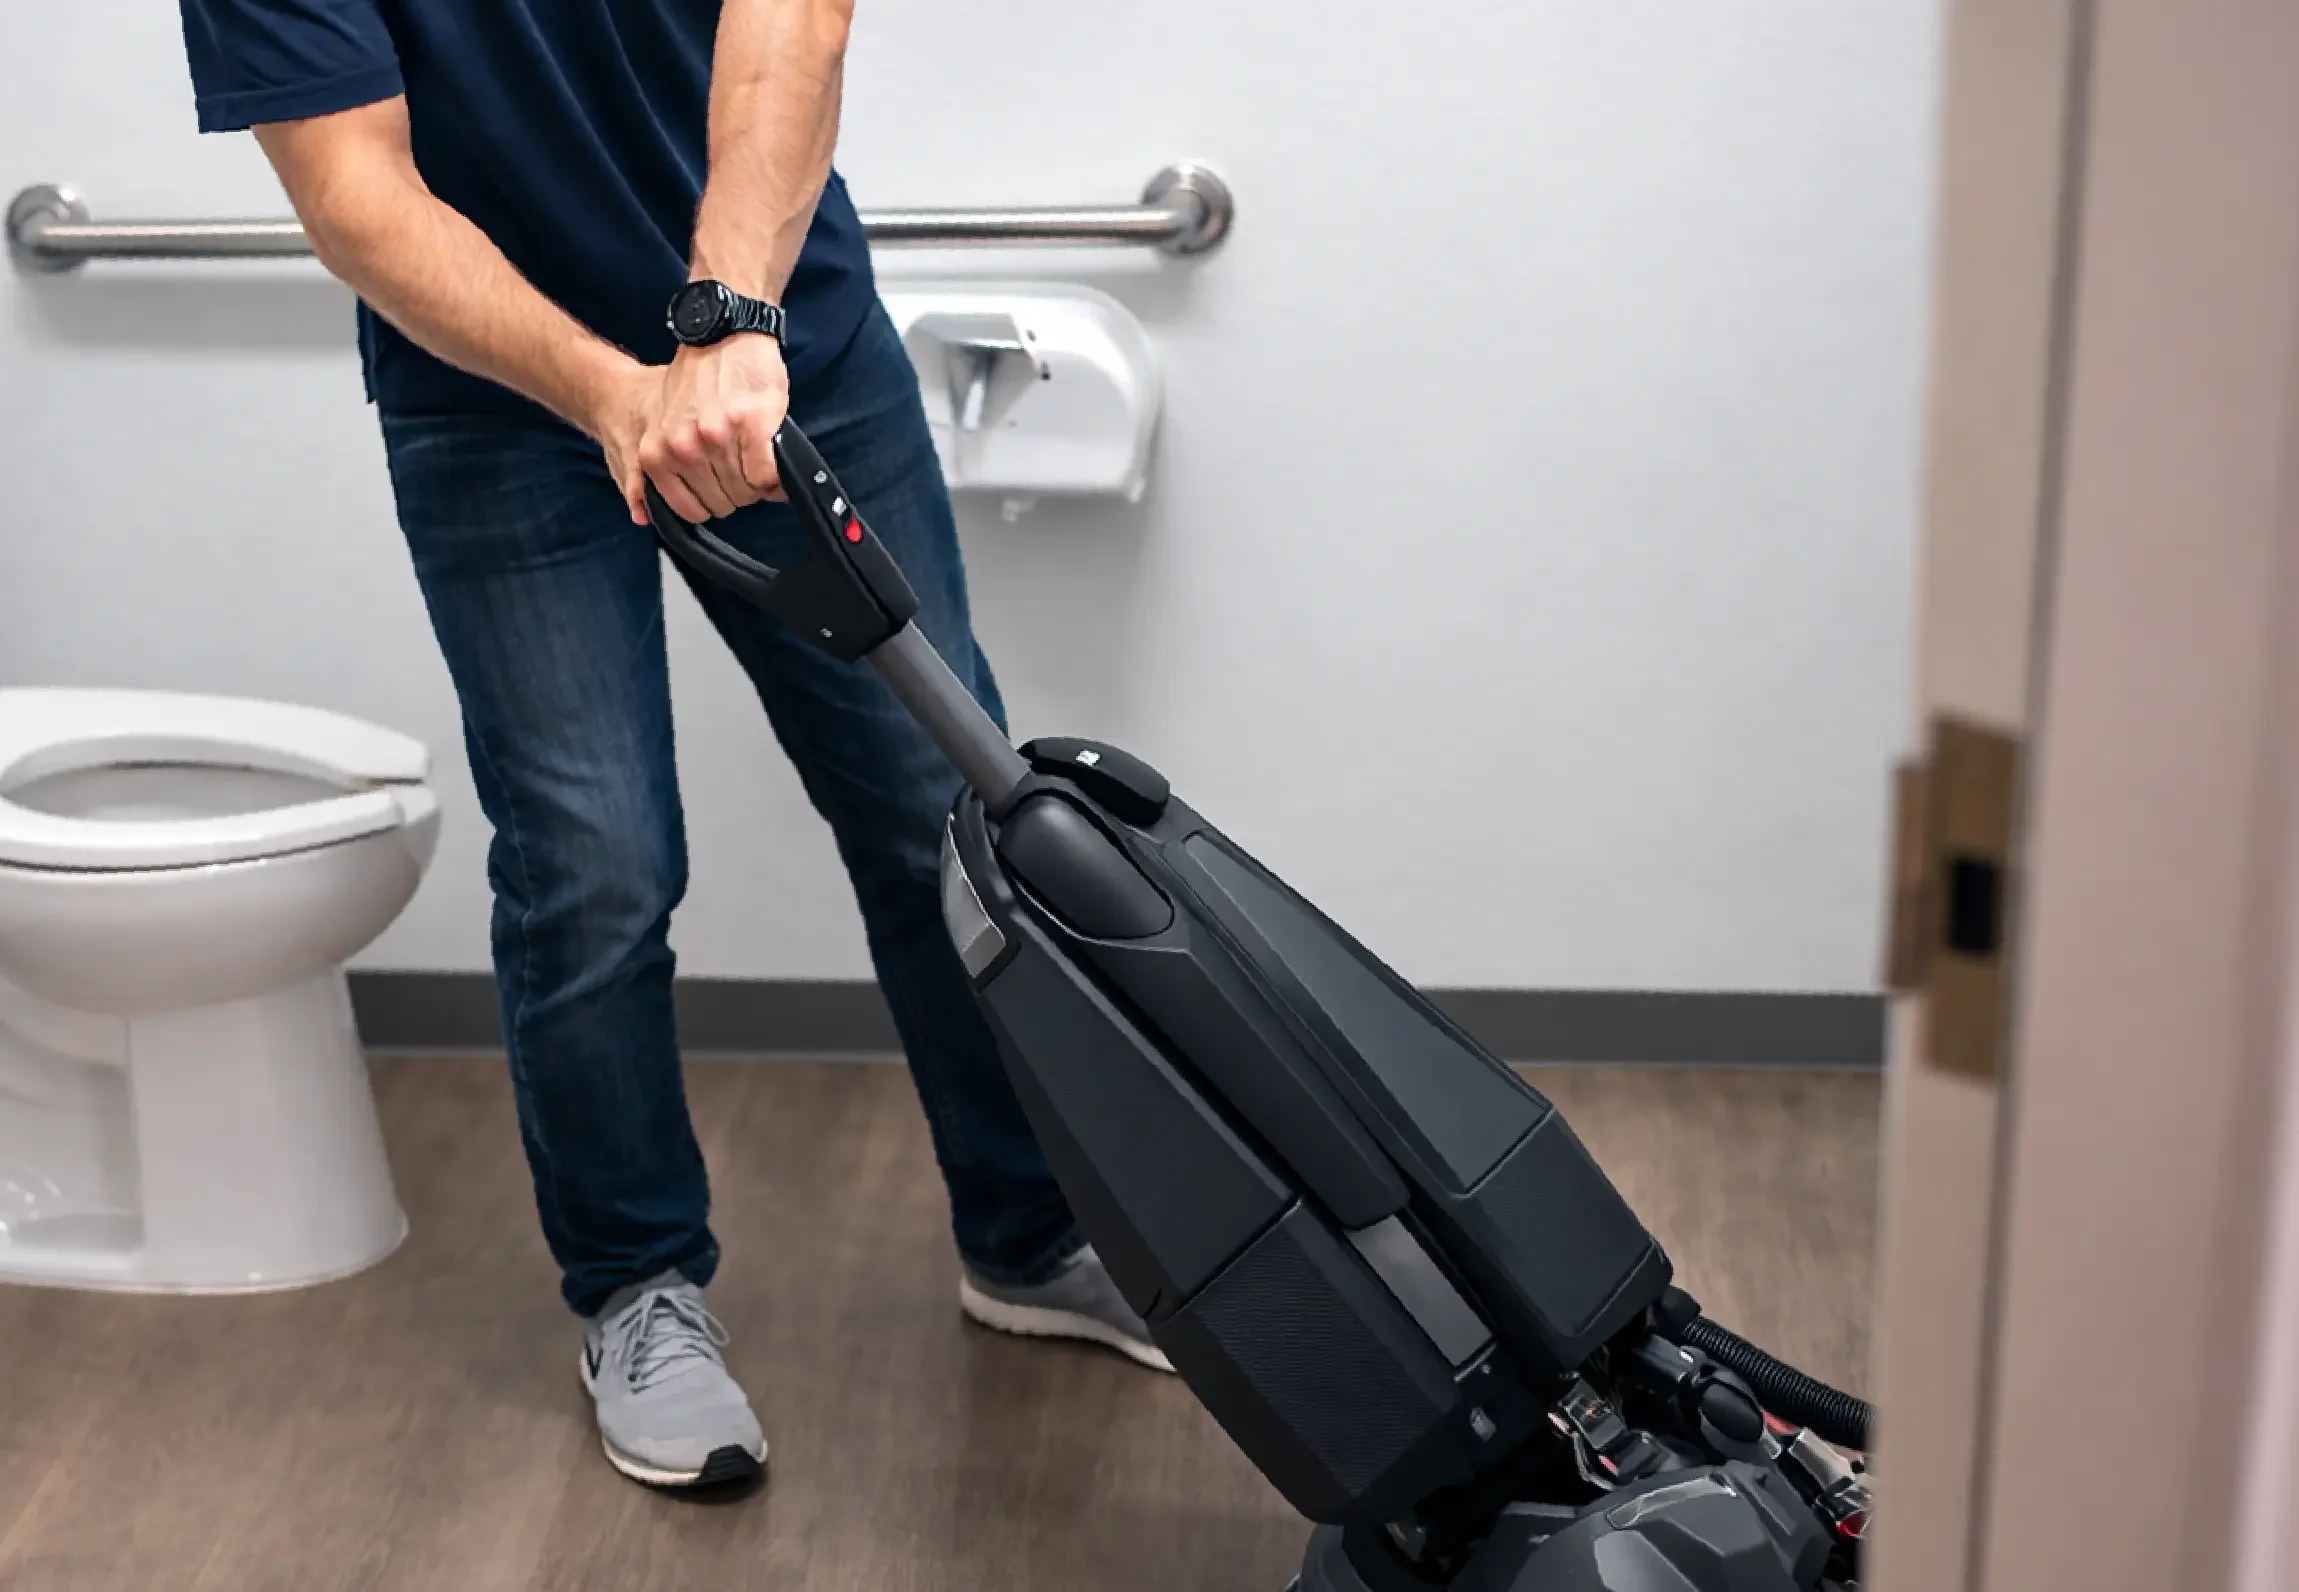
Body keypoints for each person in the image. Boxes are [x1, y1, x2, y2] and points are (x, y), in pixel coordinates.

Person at [174, 0, 1170, 1492]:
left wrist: (725, 326)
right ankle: (637, 1294)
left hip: (785, 346)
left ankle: (1029, 1233)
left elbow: (792, 31)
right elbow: (355, 190)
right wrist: (614, 393)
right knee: (594, 859)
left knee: (940, 810)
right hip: (495, 401)